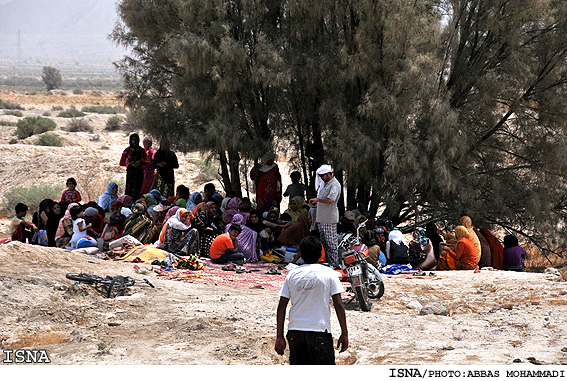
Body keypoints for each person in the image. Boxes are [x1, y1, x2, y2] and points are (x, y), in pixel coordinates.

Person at [275, 236, 348, 365]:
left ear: (301, 254)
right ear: (320, 254)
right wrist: (344, 333)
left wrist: (279, 336)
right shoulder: (329, 273)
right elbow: (339, 305)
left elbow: (281, 306)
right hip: (319, 331)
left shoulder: (292, 274)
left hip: (295, 332)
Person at [309, 164, 341, 268]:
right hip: (322, 218)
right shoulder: (326, 184)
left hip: (329, 219)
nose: (321, 178)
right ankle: (325, 263)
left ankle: (334, 265)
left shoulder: (334, 185)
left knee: (331, 243)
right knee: (323, 243)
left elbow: (330, 199)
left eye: (323, 176)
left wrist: (318, 200)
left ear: (328, 174)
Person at [120, 133, 149, 200]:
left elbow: (147, 161)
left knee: (138, 190)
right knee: (129, 190)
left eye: (136, 140)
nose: (134, 141)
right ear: (130, 141)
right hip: (130, 173)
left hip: (139, 173)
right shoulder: (127, 151)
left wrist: (140, 162)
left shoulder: (141, 150)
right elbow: (121, 163)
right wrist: (130, 164)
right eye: (132, 140)